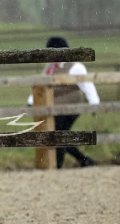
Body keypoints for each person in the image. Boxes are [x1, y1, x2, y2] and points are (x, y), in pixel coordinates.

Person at [27, 36, 99, 168]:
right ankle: (83, 160)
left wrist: (94, 103)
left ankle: (59, 164)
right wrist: (32, 101)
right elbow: (41, 86)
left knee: (57, 133)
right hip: (54, 108)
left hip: (71, 107)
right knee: (59, 134)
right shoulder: (50, 67)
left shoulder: (75, 67)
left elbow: (87, 85)